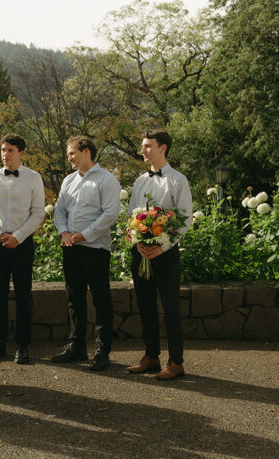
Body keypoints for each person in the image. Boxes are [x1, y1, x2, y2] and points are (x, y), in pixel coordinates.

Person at [125, 129, 193, 380]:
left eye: (147, 146)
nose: (143, 151)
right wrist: (138, 242)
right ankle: (151, 357)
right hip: (141, 252)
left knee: (170, 307)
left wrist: (162, 246)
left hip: (165, 253)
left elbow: (184, 220)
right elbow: (130, 215)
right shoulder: (140, 181)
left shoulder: (178, 180)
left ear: (163, 147)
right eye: (143, 146)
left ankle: (176, 362)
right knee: (145, 305)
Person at [50, 135, 121, 371]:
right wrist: (64, 233)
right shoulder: (68, 181)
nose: (68, 158)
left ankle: (102, 351)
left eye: (72, 153)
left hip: (96, 249)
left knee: (101, 299)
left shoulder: (107, 179)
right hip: (70, 247)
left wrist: (84, 235)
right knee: (74, 298)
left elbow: (110, 214)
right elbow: (59, 210)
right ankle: (77, 346)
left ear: (86, 151)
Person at [0, 133, 45, 365]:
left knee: (24, 296)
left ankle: (23, 346)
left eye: (10, 150)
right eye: (3, 150)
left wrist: (17, 237)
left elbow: (38, 212)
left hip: (23, 243)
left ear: (21, 153)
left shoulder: (34, 178)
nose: (5, 155)